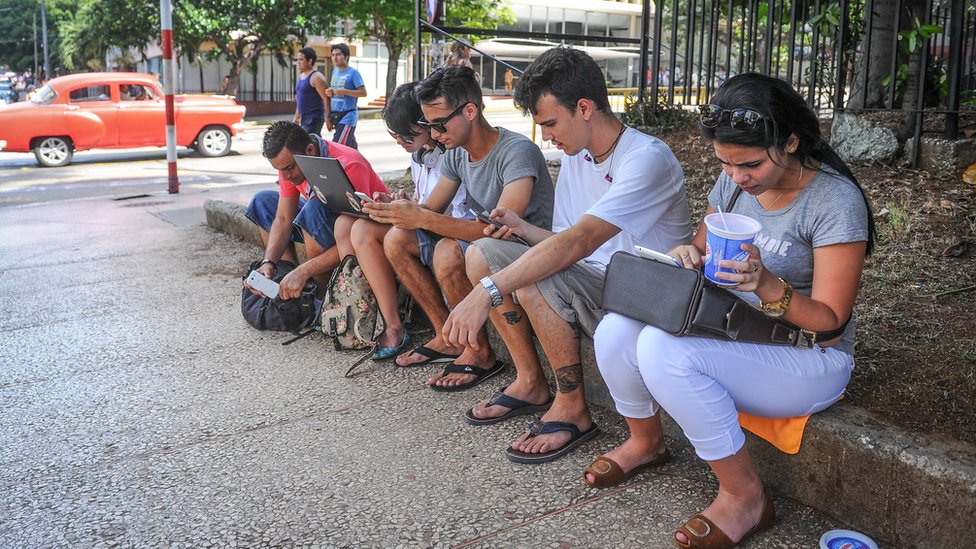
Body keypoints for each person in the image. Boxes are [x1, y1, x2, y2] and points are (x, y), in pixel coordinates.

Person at [592, 73, 875, 548]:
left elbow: (831, 321)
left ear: (790, 141)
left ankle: (746, 497)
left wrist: (766, 285)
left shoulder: (834, 201)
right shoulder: (734, 185)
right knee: (615, 329)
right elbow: (702, 248)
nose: (737, 177)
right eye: (724, 163)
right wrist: (689, 254)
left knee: (663, 352)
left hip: (809, 355)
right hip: (734, 332)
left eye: (748, 165)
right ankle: (646, 442)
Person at [441, 46, 693, 464]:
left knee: (532, 274)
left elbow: (578, 243)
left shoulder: (645, 159)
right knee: (484, 252)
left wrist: (486, 292)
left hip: (647, 297)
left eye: (552, 123)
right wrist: (522, 230)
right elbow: (563, 238)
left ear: (584, 107)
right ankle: (529, 380)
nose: (547, 136)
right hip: (597, 281)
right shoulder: (579, 155)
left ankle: (572, 407)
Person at [361, 65, 554, 389]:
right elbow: (430, 210)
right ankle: (449, 338)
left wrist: (422, 217)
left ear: (469, 111)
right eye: (429, 126)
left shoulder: (517, 152)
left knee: (448, 252)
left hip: (531, 244)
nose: (434, 136)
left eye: (439, 125)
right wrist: (397, 208)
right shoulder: (456, 153)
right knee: (397, 239)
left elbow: (505, 229)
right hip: (487, 241)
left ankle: (483, 355)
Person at [338, 82, 473, 360]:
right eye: (395, 136)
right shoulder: (419, 155)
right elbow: (425, 202)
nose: (401, 142)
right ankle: (389, 323)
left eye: (407, 135)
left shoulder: (453, 155)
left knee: (394, 237)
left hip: (451, 232)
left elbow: (451, 213)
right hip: (426, 223)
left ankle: (445, 334)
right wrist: (400, 202)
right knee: (358, 226)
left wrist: (411, 210)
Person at [243, 121, 388, 300]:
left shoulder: (349, 165)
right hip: (329, 220)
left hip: (362, 232)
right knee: (263, 201)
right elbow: (283, 218)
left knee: (313, 210)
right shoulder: (290, 167)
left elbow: (357, 235)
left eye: (289, 168)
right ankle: (286, 283)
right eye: (280, 171)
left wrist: (305, 271)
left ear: (310, 150)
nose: (286, 176)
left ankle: (319, 297)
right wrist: (269, 263)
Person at [325, 43, 366, 149]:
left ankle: (337, 166)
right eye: (333, 55)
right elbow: (335, 91)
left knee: (338, 146)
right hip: (336, 116)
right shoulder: (335, 72)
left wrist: (345, 91)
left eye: (338, 55)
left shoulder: (353, 73)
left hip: (348, 116)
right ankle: (359, 164)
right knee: (351, 147)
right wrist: (330, 92)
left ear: (346, 57)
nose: (335, 58)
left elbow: (363, 92)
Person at [292, 47, 331, 136]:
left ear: (310, 61)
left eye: (301, 59)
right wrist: (297, 116)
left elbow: (326, 99)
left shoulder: (316, 77)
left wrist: (328, 119)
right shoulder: (301, 76)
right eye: (298, 59)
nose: (298, 62)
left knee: (309, 143)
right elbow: (300, 98)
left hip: (314, 118)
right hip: (304, 117)